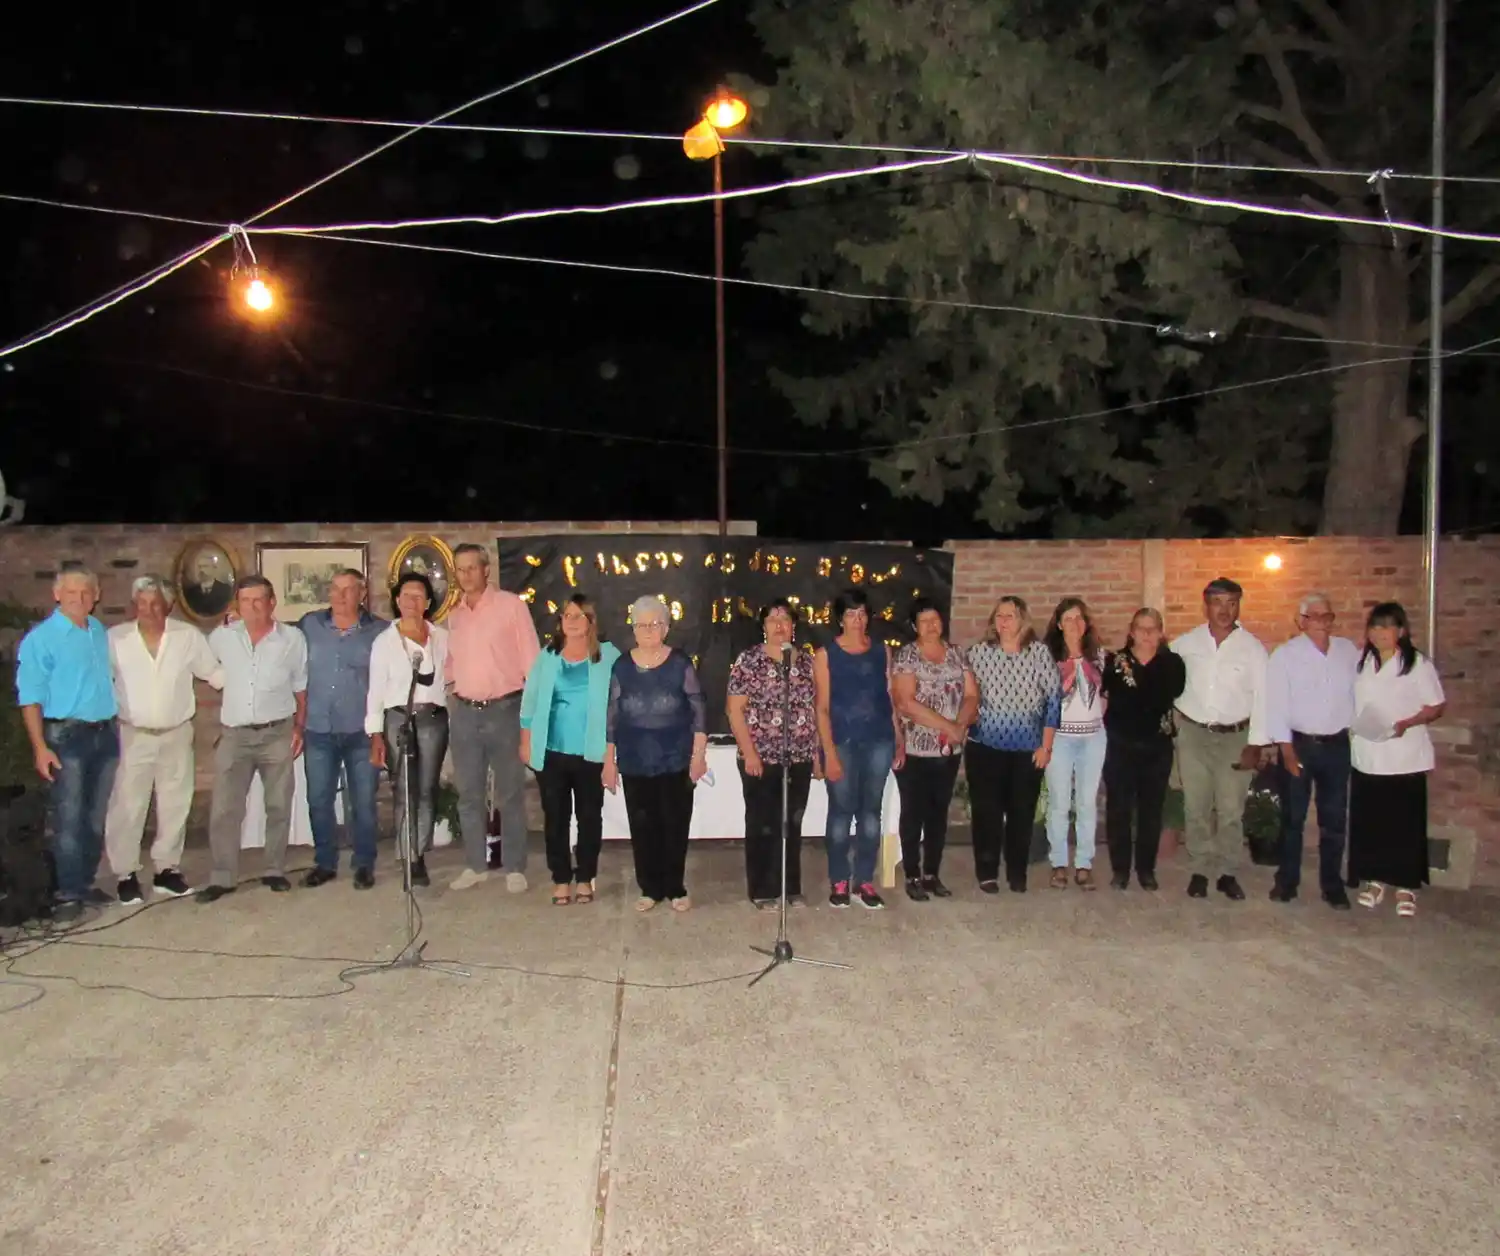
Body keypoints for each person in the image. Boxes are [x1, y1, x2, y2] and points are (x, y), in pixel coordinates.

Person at [104, 574, 222, 902]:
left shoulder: (187, 636)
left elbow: (215, 674)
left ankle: (166, 870)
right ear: (134, 605)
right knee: (128, 805)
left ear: (168, 605)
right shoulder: (115, 639)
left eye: (155, 603)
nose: (149, 609)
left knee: (175, 803)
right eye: (142, 603)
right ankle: (126, 873)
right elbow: (98, 681)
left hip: (176, 732)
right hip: (133, 733)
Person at [15, 565, 120, 920]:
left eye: (86, 592)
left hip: (105, 736)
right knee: (69, 817)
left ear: (97, 596)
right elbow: (29, 696)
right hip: (67, 738)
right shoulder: (41, 639)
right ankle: (67, 894)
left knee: (94, 817)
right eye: (72, 592)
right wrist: (39, 747)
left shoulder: (97, 630)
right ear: (57, 595)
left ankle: (85, 882)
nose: (80, 598)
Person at [196, 575, 308, 904]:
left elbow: (301, 688)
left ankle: (274, 869)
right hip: (235, 734)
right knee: (225, 809)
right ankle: (222, 876)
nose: (253, 607)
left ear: (272, 602)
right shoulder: (222, 637)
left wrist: (300, 727)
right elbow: (202, 664)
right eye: (245, 601)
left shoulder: (292, 639)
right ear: (238, 605)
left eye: (259, 600)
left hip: (278, 732)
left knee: (278, 805)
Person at [444, 542, 540, 892]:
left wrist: (530, 719)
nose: (466, 574)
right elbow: (450, 664)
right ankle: (475, 865)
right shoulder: (455, 615)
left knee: (509, 793)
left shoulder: (511, 607)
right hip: (466, 714)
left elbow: (532, 663)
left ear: (486, 570)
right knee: (468, 793)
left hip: (506, 710)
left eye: (472, 567)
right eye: (461, 569)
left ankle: (514, 866)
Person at [604, 596, 708, 912]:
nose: (648, 630)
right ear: (633, 628)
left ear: (665, 627)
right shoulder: (621, 665)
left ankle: (675, 887)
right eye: (641, 624)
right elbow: (612, 715)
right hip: (635, 759)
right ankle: (649, 888)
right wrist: (609, 761)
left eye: (655, 624)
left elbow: (699, 709)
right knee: (642, 825)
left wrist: (698, 755)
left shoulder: (680, 663)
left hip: (675, 758)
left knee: (675, 824)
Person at [1172, 577, 1271, 902]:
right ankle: (1200, 868)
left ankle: (1228, 871)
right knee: (1196, 805)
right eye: (1218, 603)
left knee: (1230, 808)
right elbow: (1164, 676)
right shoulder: (1187, 643)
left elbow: (1264, 698)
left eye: (1232, 603)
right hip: (1194, 734)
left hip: (1235, 736)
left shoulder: (1253, 648)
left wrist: (1256, 744)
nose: (1225, 610)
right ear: (1207, 605)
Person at [520, 593, 620, 907]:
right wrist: (525, 740)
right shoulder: (548, 656)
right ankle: (561, 878)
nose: (572, 621)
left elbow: (617, 707)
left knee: (590, 818)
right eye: (567, 615)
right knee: (556, 818)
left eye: (579, 615)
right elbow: (530, 701)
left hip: (592, 753)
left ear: (591, 622)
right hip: (551, 752)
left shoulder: (608, 656)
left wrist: (611, 755)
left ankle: (586, 876)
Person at [1264, 591, 1360, 910]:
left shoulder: (1348, 652)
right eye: (1314, 616)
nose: (1321, 623)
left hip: (1337, 745)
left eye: (1327, 617)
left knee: (1334, 819)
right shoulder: (1285, 655)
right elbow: (1275, 704)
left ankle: (1332, 884)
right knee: (1293, 817)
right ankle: (1287, 880)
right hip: (1300, 744)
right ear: (1301, 621)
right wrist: (1286, 750)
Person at [1349, 603, 1445, 919]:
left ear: (1401, 631)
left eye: (1386, 627)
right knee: (1374, 823)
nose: (1379, 634)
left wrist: (1407, 722)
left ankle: (1406, 886)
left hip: (1404, 757)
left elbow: (1436, 706)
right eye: (1374, 627)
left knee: (1403, 824)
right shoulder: (1363, 662)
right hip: (1368, 755)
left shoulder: (1417, 664)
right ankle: (1377, 881)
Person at [814, 588, 904, 910]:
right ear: (840, 618)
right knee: (841, 812)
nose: (857, 619)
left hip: (879, 739)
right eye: (851, 613)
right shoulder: (826, 654)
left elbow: (889, 699)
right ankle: (839, 877)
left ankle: (864, 879)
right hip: (842, 742)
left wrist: (898, 736)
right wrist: (828, 752)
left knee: (871, 813)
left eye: (862, 613)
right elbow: (821, 708)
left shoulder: (882, 651)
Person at [964, 596, 1061, 894]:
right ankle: (987, 872)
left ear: (1023, 620)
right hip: (984, 747)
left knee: (1021, 812)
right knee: (986, 812)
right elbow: (965, 696)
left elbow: (1053, 701)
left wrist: (1046, 747)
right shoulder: (978, 654)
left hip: (1027, 749)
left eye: (1010, 615)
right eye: (999, 616)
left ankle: (1017, 873)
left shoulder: (1039, 654)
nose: (1004, 621)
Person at [727, 598, 819, 909]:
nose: (779, 626)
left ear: (794, 626)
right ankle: (763, 890)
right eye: (772, 619)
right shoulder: (749, 660)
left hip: (799, 755)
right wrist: (749, 753)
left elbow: (816, 708)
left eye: (785, 619)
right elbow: (735, 710)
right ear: (763, 626)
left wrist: (817, 752)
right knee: (762, 822)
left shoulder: (806, 661)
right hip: (760, 756)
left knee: (792, 821)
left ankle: (790, 887)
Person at [298, 569, 385, 890]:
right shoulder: (309, 625)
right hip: (318, 729)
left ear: (362, 593)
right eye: (335, 589)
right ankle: (324, 862)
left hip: (361, 731)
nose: (340, 596)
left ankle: (364, 863)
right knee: (319, 799)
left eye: (349, 590)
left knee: (362, 802)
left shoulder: (380, 632)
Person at [890, 597, 976, 901]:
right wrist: (947, 726)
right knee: (914, 813)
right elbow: (906, 703)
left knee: (939, 814)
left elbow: (971, 696)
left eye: (935, 619)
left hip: (948, 751)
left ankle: (932, 874)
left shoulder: (956, 654)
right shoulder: (907, 657)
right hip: (915, 749)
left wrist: (959, 727)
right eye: (924, 621)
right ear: (915, 626)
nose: (931, 625)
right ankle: (912, 873)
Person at [367, 573, 449, 889]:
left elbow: (449, 676)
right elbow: (375, 692)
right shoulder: (384, 642)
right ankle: (407, 859)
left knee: (427, 790)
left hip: (433, 719)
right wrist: (375, 734)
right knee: (404, 790)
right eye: (405, 596)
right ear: (397, 600)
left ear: (428, 603)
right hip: (398, 719)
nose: (411, 602)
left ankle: (418, 853)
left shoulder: (442, 638)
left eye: (418, 596)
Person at [1101, 608, 1186, 890]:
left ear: (1162, 632)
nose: (1147, 634)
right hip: (1121, 745)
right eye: (1141, 628)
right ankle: (1121, 870)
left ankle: (1146, 870)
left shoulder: (1173, 663)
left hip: (1156, 747)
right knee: (1119, 810)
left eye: (1153, 628)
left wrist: (1139, 695)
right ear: (1131, 631)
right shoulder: (1115, 661)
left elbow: (1166, 695)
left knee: (1151, 810)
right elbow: (1111, 700)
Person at [1042, 597, 1108, 890]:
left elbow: (1106, 695)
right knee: (1058, 802)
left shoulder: (1100, 657)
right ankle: (1058, 862)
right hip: (1060, 738)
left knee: (1086, 802)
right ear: (1058, 624)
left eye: (1080, 618)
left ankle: (1084, 863)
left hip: (1093, 737)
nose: (1075, 624)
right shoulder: (1046, 658)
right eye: (1068, 618)